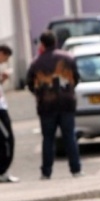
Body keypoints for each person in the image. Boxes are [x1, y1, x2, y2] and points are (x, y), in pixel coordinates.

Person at [26, 30, 82, 179]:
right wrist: (68, 91)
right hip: (66, 103)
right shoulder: (68, 58)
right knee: (69, 136)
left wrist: (41, 94)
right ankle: (76, 169)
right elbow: (76, 78)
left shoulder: (36, 62)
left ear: (42, 44)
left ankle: (46, 172)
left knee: (48, 139)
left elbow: (30, 83)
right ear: (55, 42)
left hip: (46, 105)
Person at [0, 45, 19, 183]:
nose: (5, 61)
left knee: (4, 140)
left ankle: (3, 171)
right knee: (7, 139)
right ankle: (2, 171)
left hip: (2, 106)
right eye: (5, 57)